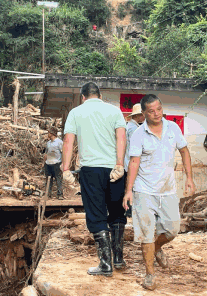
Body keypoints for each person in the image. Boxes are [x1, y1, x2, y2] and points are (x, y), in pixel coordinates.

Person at [122, 94, 196, 291]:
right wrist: (128, 191)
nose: (157, 114)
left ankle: (156, 249)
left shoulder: (173, 128)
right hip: (143, 190)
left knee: (173, 229)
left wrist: (189, 177)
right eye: (152, 111)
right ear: (144, 114)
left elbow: (184, 151)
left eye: (159, 109)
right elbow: (134, 162)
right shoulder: (138, 135)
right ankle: (149, 274)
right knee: (146, 233)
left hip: (168, 189)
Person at [62, 82, 127, 277]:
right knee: (116, 211)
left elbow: (68, 141)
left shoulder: (76, 112)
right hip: (114, 170)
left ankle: (105, 264)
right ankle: (118, 258)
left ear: (83, 97)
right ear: (100, 95)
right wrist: (119, 164)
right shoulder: (115, 111)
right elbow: (121, 137)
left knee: (96, 214)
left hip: (90, 171)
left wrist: (66, 168)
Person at [124, 103, 145, 174]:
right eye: (142, 114)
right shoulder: (134, 128)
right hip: (130, 163)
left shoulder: (130, 126)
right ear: (137, 115)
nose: (144, 116)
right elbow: (135, 148)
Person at [44, 126, 64, 200]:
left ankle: (60, 194)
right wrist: (44, 162)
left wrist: (63, 163)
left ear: (52, 133)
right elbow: (46, 153)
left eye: (49, 132)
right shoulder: (48, 143)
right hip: (48, 163)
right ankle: (48, 194)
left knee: (58, 179)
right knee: (48, 180)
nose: (48, 134)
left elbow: (63, 153)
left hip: (56, 163)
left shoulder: (59, 142)